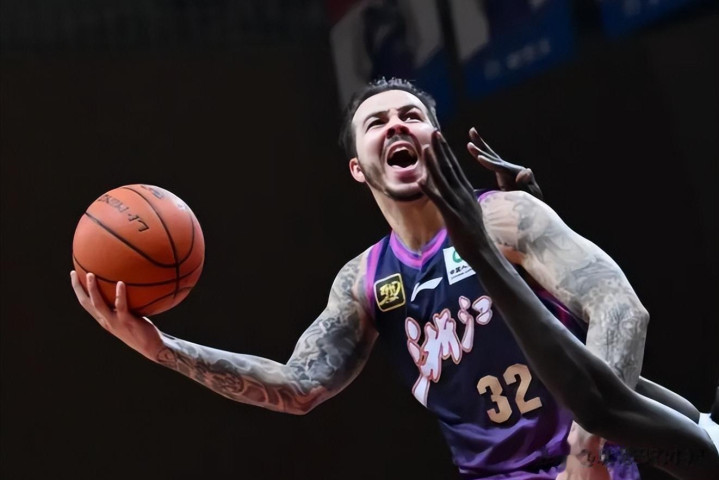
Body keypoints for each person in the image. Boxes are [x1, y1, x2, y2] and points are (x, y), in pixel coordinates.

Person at [68, 77, 693, 479]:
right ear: (357, 168)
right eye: (377, 122)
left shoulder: (508, 217)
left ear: (435, 140)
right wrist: (162, 348)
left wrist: (588, 446)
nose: (396, 125)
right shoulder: (365, 281)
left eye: (411, 116)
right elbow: (298, 386)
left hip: (590, 462)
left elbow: (620, 309)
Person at [416, 117, 719, 479]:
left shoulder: (704, 453)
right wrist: (529, 270)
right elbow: (607, 390)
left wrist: (482, 252)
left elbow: (599, 405)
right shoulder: (700, 431)